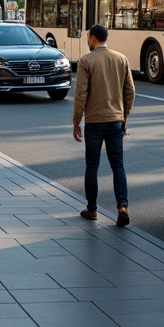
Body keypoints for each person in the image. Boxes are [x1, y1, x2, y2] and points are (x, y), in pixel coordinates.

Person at [72, 23, 135, 226]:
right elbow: (130, 92)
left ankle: (92, 209)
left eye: (87, 38)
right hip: (116, 120)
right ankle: (122, 207)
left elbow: (81, 94)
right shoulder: (121, 59)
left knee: (92, 165)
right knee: (118, 165)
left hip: (94, 122)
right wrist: (124, 117)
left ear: (91, 38)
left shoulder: (86, 61)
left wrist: (76, 121)